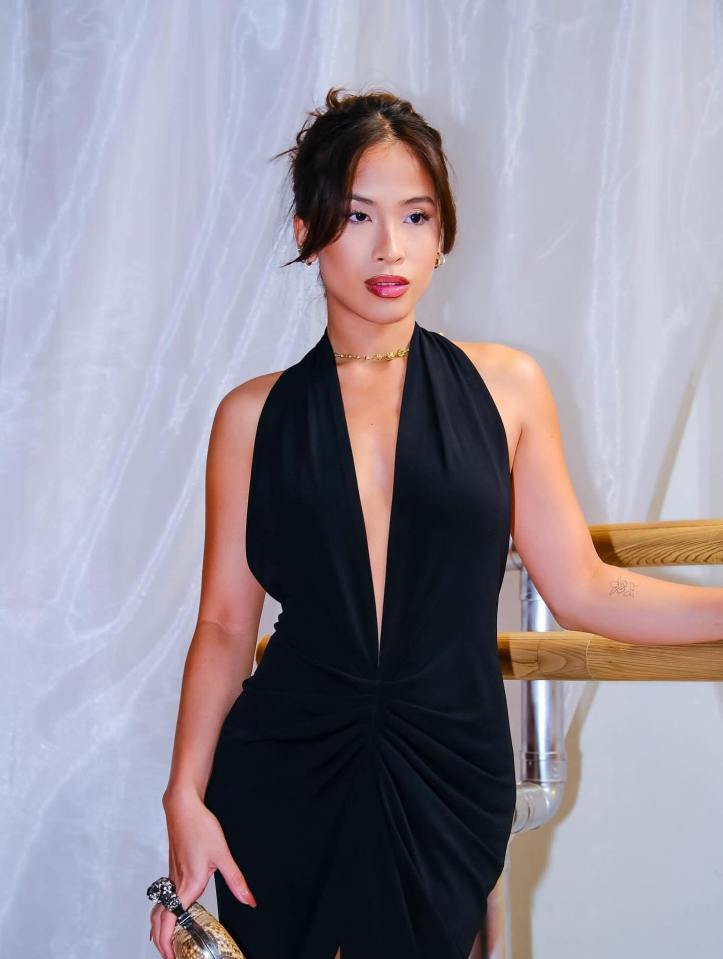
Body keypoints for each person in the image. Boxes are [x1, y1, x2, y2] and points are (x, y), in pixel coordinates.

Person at [150, 87, 723, 959]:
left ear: (443, 235)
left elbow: (582, 585)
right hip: (282, 770)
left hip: (447, 769)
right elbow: (226, 626)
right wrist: (184, 797)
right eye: (357, 215)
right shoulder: (250, 416)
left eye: (415, 216)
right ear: (307, 233)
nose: (391, 247)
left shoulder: (508, 388)